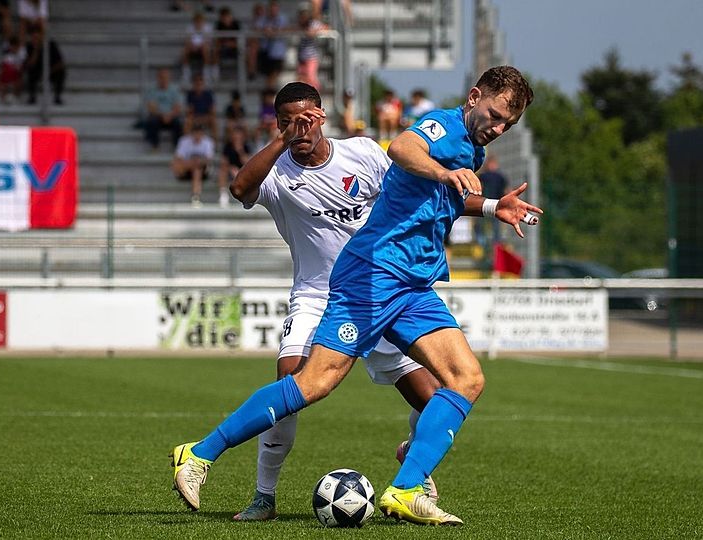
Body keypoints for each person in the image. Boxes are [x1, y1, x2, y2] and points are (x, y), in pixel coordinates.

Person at [169, 66, 541, 525]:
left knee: (466, 379)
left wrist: (490, 206)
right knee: (313, 384)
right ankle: (200, 454)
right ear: (474, 96)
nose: (499, 128)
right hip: (371, 276)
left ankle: (404, 489)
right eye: (496, 114)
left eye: (509, 124)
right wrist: (445, 174)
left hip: (412, 285)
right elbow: (405, 148)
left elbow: (423, 193)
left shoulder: (469, 151)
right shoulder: (442, 127)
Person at [222, 82, 441, 520]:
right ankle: (264, 496)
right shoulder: (277, 172)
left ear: (321, 116)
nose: (298, 129)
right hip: (316, 296)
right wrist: (282, 139)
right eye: (287, 122)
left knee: (435, 398)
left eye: (304, 120)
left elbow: (404, 195)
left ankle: (414, 461)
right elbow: (239, 188)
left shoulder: (362, 152)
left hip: (378, 293)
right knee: (290, 381)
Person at [171, 123, 215, 207]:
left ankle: (196, 195)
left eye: (200, 133)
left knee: (197, 169)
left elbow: (208, 160)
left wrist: (196, 162)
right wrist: (193, 162)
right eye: (196, 133)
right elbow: (178, 158)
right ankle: (195, 196)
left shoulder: (208, 142)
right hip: (186, 169)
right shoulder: (184, 141)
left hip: (203, 170)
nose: (197, 135)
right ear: (192, 133)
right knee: (180, 164)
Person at [474, 153, 510, 250]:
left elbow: (505, 190)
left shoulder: (499, 177)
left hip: (494, 204)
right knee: (482, 225)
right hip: (484, 203)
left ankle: (494, 244)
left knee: (495, 226)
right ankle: (483, 243)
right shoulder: (484, 176)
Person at [143, 68, 184, 151]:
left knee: (178, 123)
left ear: (169, 78)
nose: (164, 79)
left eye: (166, 77)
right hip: (158, 116)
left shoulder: (174, 90)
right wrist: (163, 115)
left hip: (171, 116)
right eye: (161, 77)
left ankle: (176, 146)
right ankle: (155, 146)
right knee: (152, 121)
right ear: (158, 78)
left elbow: (178, 107)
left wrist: (169, 115)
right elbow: (151, 108)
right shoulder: (152, 90)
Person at [23, 29, 66, 105]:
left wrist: (48, 72)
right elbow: (29, 64)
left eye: (37, 37)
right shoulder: (29, 46)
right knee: (31, 71)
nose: (36, 39)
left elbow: (60, 62)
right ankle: (32, 97)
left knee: (61, 72)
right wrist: (36, 50)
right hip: (37, 71)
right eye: (34, 37)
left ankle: (57, 97)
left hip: (51, 70)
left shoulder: (51, 45)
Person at [216, 127, 250, 208]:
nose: (237, 138)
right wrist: (231, 168)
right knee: (222, 171)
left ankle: (247, 197)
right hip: (230, 171)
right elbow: (223, 162)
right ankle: (223, 195)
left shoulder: (246, 147)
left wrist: (240, 151)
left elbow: (248, 163)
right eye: (235, 135)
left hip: (243, 172)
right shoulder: (227, 146)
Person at [295, 7, 325, 91]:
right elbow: (289, 29)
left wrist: (314, 32)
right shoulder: (299, 25)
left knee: (311, 77)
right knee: (300, 78)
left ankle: (316, 94)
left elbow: (326, 27)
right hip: (301, 56)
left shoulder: (313, 24)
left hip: (311, 56)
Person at [180, 13, 211, 86]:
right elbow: (187, 41)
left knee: (205, 49)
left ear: (203, 22)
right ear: (194, 22)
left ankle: (206, 75)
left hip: (203, 49)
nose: (198, 23)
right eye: (197, 21)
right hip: (192, 48)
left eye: (200, 21)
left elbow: (208, 42)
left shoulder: (208, 28)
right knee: (185, 50)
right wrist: (192, 46)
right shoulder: (189, 28)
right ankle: (186, 75)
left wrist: (200, 46)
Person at [0, 36, 25, 104]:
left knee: (18, 78)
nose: (12, 48)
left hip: (19, 75)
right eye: (11, 47)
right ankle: (5, 98)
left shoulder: (23, 54)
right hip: (10, 74)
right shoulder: (8, 56)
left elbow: (21, 69)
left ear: (18, 46)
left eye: (14, 47)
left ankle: (15, 97)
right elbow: (4, 69)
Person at [213, 7, 241, 80]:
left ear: (230, 16)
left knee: (243, 51)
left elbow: (239, 40)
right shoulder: (219, 25)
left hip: (234, 48)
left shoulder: (236, 25)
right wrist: (224, 44)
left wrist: (230, 43)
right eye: (223, 17)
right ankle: (215, 74)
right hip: (223, 48)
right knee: (216, 50)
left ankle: (242, 75)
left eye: (227, 16)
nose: (225, 18)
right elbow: (217, 40)